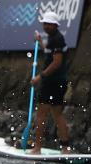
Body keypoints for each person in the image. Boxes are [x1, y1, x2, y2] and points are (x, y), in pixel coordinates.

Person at [29, 11, 71, 154]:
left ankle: (37, 148)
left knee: (41, 114)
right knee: (57, 114)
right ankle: (65, 149)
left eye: (48, 24)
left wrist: (39, 77)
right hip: (58, 82)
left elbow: (56, 63)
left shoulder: (57, 38)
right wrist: (40, 41)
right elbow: (48, 52)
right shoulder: (53, 38)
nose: (45, 26)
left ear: (55, 25)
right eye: (44, 23)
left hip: (52, 83)